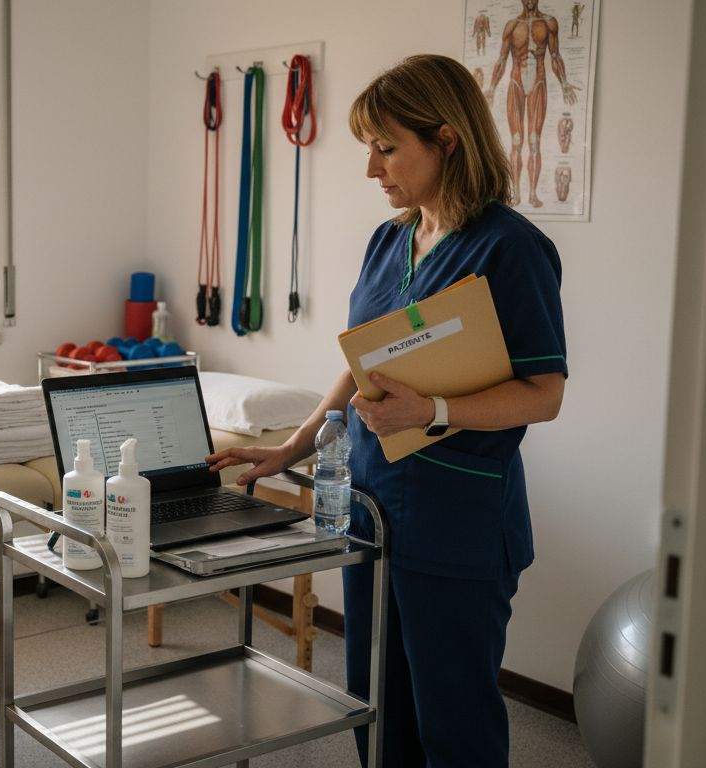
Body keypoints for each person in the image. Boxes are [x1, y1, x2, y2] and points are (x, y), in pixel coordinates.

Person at [208, 54, 567, 768]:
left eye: (386, 147)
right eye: (368, 149)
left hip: (457, 518)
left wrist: (433, 408)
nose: (373, 170)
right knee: (376, 705)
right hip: (373, 506)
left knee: (452, 718)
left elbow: (544, 393)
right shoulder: (390, 240)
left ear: (448, 139)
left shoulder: (511, 249)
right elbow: (363, 365)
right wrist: (295, 448)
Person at [483, 0, 577, 208]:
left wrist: (564, 84)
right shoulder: (512, 25)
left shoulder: (548, 23)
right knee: (516, 141)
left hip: (538, 83)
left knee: (534, 141)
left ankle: (532, 194)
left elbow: (555, 56)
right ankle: (516, 194)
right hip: (515, 83)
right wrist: (491, 88)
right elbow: (501, 59)